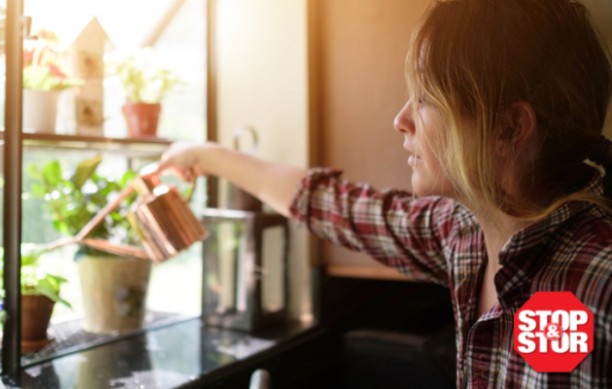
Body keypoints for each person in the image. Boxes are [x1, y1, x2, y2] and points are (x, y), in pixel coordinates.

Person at [157, 0, 612, 387]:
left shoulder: (600, 281)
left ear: (510, 128)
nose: (401, 119)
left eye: (427, 99)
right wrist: (206, 155)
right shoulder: (463, 232)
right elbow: (338, 206)